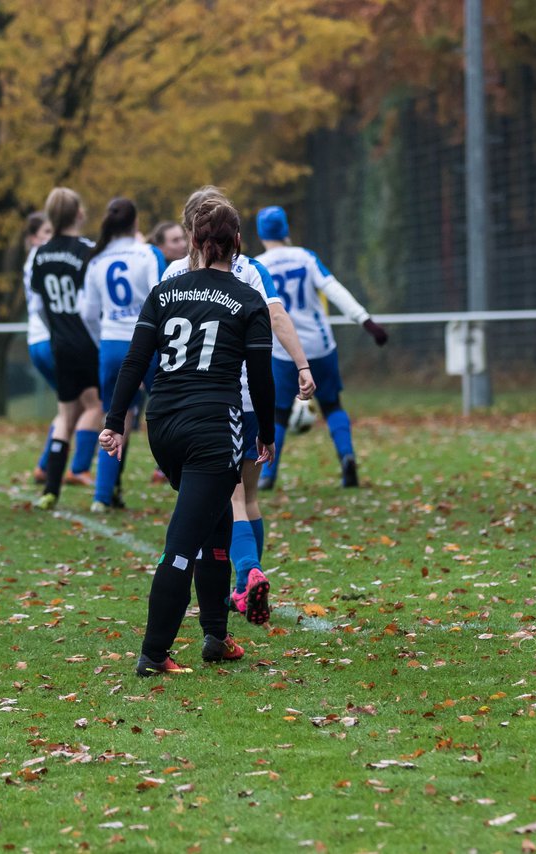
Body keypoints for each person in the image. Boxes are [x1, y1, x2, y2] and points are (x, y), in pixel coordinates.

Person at [99, 195, 275, 676]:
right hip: (212, 426)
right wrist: (268, 434)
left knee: (216, 527)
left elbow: (137, 361)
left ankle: (216, 636)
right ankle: (154, 654)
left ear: (195, 242)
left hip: (163, 424)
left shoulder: (166, 289)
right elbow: (260, 378)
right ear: (236, 243)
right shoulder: (248, 298)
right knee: (183, 544)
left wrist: (114, 421)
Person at [162, 187, 315, 625]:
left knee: (223, 497)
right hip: (250, 396)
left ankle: (245, 575)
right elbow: (277, 315)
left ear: (190, 231)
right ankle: (243, 585)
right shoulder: (250, 270)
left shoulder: (173, 274)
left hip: (202, 400)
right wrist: (302, 365)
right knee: (247, 497)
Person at [255, 205, 388, 490]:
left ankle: (267, 474)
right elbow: (334, 289)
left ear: (260, 233)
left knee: (277, 412)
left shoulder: (258, 264)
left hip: (282, 350)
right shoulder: (305, 257)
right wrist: (365, 320)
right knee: (331, 405)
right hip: (319, 345)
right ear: (286, 229)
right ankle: (347, 457)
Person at [81, 197, 166, 513]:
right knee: (167, 411)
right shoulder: (147, 253)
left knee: (115, 418)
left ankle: (102, 496)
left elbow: (88, 312)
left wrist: (102, 339)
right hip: (146, 343)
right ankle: (182, 479)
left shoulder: (97, 259)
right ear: (136, 222)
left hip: (112, 344)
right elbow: (161, 298)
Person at [28, 188, 101, 509]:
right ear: (79, 215)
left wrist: (56, 327)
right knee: (96, 407)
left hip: (58, 341)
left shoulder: (40, 255)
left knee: (65, 413)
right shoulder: (87, 250)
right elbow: (92, 303)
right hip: (85, 341)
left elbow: (38, 305)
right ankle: (81, 468)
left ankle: (51, 490)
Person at [18, 212, 64, 484]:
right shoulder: (41, 258)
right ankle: (65, 466)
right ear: (34, 238)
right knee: (84, 404)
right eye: (46, 232)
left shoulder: (35, 259)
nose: (51, 237)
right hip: (48, 340)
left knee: (70, 406)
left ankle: (48, 464)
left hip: (36, 340)